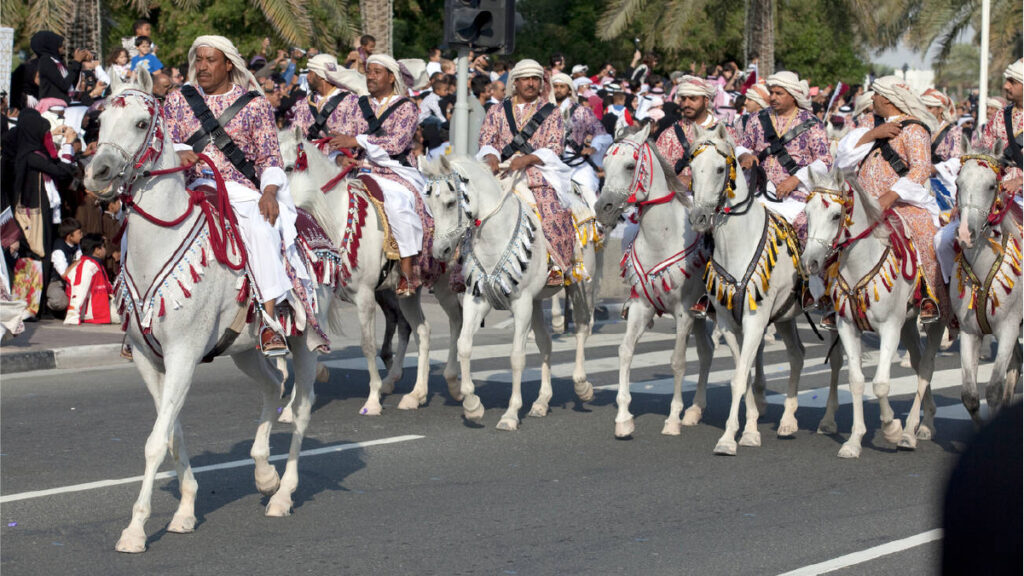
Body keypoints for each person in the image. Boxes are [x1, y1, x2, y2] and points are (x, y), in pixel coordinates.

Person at [164, 35, 303, 356]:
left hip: (238, 190)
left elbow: (269, 157)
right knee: (140, 221)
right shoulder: (177, 100)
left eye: (210, 60)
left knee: (262, 228)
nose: (202, 67)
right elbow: (165, 141)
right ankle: (137, 315)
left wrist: (269, 192)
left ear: (228, 64)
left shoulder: (254, 104)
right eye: (198, 60)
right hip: (190, 186)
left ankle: (270, 321)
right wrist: (181, 151)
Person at [836, 76, 944, 324]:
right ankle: (830, 298)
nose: (871, 98)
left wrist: (891, 194)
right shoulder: (869, 124)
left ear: (887, 98)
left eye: (875, 94)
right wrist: (874, 134)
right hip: (863, 204)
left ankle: (927, 294)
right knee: (830, 232)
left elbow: (920, 170)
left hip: (903, 204)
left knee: (925, 234)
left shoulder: (915, 129)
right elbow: (843, 159)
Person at [329, 54, 427, 296]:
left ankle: (407, 269)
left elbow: (396, 143)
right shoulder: (356, 105)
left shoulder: (407, 107)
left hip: (394, 172)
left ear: (391, 78)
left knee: (399, 205)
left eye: (376, 72)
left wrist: (357, 140)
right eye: (368, 71)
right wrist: (341, 156)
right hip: (358, 170)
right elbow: (342, 137)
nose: (370, 76)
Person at [477, 59, 575, 284]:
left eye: (535, 79)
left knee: (551, 211)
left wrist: (527, 159)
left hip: (538, 171)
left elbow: (554, 146)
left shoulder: (552, 112)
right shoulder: (496, 110)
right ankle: (464, 267)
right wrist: (491, 155)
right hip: (501, 171)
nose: (530, 84)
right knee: (472, 208)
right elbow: (487, 138)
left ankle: (556, 265)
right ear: (516, 82)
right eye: (525, 79)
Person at [934, 58, 1023, 293]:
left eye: (1012, 81)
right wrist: (960, 201)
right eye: (1007, 81)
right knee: (942, 241)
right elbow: (978, 162)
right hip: (990, 196)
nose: (1005, 86)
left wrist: (1021, 180)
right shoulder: (998, 118)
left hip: (1021, 198)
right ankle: (950, 303)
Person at [737, 71, 832, 234]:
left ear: (793, 95)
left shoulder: (812, 123)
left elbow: (825, 161)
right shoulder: (757, 118)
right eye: (771, 92)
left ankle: (804, 261)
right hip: (758, 189)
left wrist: (795, 179)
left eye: (779, 93)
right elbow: (742, 146)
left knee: (805, 226)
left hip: (796, 195)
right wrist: (745, 155)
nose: (773, 97)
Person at [656, 75, 739, 189]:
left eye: (693, 99)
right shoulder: (669, 134)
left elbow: (737, 170)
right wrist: (676, 180)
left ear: (706, 101)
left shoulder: (726, 131)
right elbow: (656, 171)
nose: (686, 104)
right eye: (683, 99)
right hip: (678, 199)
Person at [551, 73, 611, 200]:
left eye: (562, 86)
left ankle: (595, 220)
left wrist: (593, 147)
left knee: (589, 193)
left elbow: (602, 133)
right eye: (555, 86)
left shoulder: (582, 111)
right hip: (547, 162)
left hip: (575, 164)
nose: (558, 89)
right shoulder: (542, 110)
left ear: (569, 90)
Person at [291, 53, 365, 142]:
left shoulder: (351, 102)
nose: (307, 77)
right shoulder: (305, 103)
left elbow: (361, 135)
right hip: (310, 154)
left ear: (320, 76)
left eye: (310, 72)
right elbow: (294, 135)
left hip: (338, 154)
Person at [64, 232, 117, 325]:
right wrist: (72, 315)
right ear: (97, 250)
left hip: (102, 310)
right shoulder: (87, 266)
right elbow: (79, 289)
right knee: (131, 315)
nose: (105, 250)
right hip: (93, 314)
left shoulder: (96, 265)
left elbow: (108, 287)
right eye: (103, 247)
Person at [32, 30, 88, 107]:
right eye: (59, 45)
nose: (63, 47)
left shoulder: (58, 61)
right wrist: (76, 62)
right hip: (54, 107)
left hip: (65, 103)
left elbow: (70, 83)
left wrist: (78, 62)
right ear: (50, 46)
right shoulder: (46, 61)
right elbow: (64, 84)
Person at [47, 217, 82, 316]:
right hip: (57, 282)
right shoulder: (59, 248)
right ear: (69, 236)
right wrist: (77, 262)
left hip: (73, 282)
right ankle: (50, 306)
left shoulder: (77, 245)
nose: (81, 235)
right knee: (61, 302)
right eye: (79, 233)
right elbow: (64, 274)